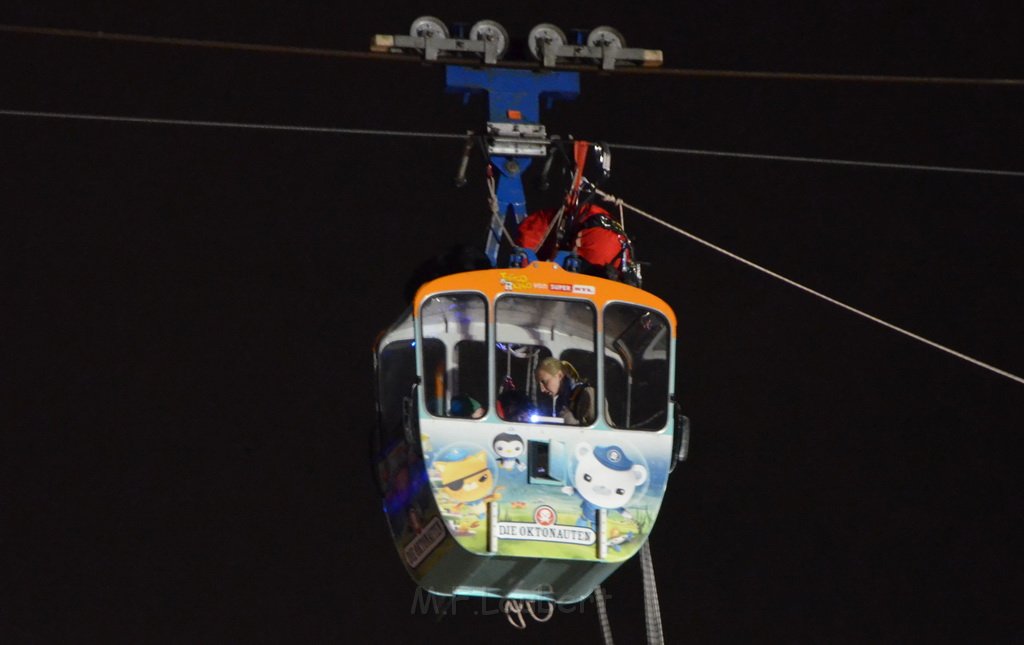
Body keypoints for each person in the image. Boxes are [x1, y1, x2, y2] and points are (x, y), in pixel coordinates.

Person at [535, 357, 595, 426]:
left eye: (544, 382)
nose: (542, 389)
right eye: (539, 384)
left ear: (559, 375)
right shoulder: (558, 402)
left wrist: (574, 425)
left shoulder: (587, 394)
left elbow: (603, 433)